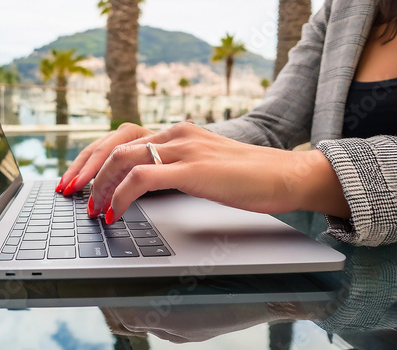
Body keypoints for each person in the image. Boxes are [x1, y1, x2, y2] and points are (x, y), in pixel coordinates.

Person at [56, 0, 397, 247]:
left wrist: (305, 175)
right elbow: (270, 126)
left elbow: (287, 155)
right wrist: (170, 145)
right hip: (352, 312)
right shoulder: (344, 9)